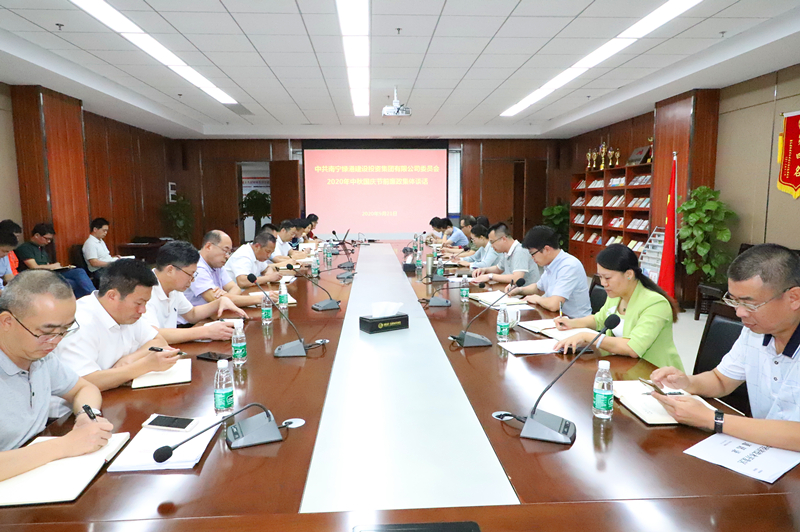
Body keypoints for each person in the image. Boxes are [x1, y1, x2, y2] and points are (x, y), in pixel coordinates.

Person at [650, 244, 800, 451]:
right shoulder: (754, 332)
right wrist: (687, 383)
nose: (739, 313)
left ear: (794, 298)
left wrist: (713, 419)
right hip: (767, 451)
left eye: (750, 304)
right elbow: (721, 380)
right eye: (734, 301)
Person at [0, 271, 113, 482]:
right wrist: (64, 445)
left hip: (34, 471)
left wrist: (86, 415)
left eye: (65, 330)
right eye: (46, 332)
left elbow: (84, 388)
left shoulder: (41, 357)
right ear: (7, 322)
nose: (55, 341)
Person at [50, 259, 179, 417]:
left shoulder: (127, 314)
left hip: (113, 401)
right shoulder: (80, 322)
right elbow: (84, 383)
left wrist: (130, 359)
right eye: (139, 303)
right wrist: (143, 365)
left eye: (145, 303)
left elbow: (159, 341)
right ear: (112, 296)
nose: (143, 310)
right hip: (71, 415)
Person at [553, 244, 683, 369]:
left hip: (655, 373)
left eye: (607, 278)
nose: (603, 283)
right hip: (624, 366)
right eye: (600, 277)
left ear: (629, 274)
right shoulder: (615, 295)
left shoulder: (655, 303)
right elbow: (599, 320)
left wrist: (587, 337)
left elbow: (632, 347)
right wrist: (572, 323)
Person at [142, 241, 247, 344]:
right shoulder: (144, 290)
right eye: (190, 274)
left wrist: (219, 302)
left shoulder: (173, 288)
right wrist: (206, 331)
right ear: (170, 270)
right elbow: (153, 334)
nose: (192, 280)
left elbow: (192, 314)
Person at [507, 226, 592, 318]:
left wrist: (537, 299)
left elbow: (554, 305)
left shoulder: (569, 266)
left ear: (547, 249)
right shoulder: (550, 263)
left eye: (532, 253)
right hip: (558, 317)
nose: (532, 257)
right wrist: (518, 290)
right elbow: (539, 288)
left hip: (575, 321)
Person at [186, 230, 273, 310]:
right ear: (208, 247)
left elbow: (235, 287)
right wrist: (260, 298)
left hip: (216, 314)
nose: (227, 256)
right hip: (197, 320)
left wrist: (225, 297)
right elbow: (214, 299)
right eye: (225, 250)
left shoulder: (217, 264)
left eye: (229, 252)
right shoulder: (197, 266)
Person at [15, 223, 95, 298]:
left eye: (50, 239)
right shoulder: (25, 248)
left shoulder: (41, 248)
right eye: (47, 239)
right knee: (72, 283)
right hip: (37, 276)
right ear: (36, 235)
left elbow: (47, 264)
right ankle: (93, 299)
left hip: (50, 273)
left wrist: (60, 267)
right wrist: (51, 266)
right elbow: (34, 267)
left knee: (79, 271)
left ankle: (93, 297)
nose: (48, 242)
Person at [471, 223, 541, 287]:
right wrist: (484, 270)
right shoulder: (506, 252)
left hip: (526, 294)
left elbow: (517, 278)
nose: (491, 246)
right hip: (513, 290)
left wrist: (490, 276)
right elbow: (498, 269)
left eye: (492, 242)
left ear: (503, 239)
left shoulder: (520, 251)